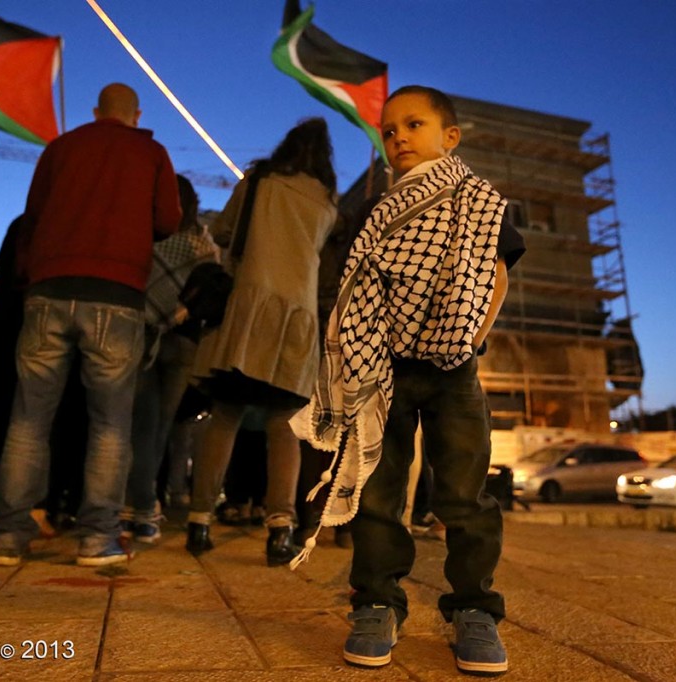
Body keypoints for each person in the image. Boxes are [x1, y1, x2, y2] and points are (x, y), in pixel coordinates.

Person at [291, 86, 525, 674]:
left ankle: (473, 609)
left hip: (454, 370)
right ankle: (375, 601)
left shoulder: (481, 201)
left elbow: (495, 274)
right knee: (379, 490)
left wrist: (469, 339)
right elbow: (360, 285)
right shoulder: (381, 209)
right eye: (389, 131)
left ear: (449, 137)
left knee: (463, 495)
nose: (398, 139)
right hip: (383, 369)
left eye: (413, 125)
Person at [0, 83, 181, 568]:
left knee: (29, 418)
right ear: (136, 114)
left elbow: (32, 216)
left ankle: (10, 537)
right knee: (111, 423)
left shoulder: (60, 148)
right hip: (115, 294)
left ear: (95, 112)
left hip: (49, 288)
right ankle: (97, 537)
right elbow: (167, 220)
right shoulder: (152, 151)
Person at [186, 118, 338, 567]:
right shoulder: (327, 202)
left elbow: (224, 232)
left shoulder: (258, 181)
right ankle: (280, 529)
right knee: (283, 426)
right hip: (297, 319)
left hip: (249, 311)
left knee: (226, 416)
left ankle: (198, 520)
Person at [122, 175, 220, 543]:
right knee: (161, 428)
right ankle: (147, 505)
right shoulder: (203, 244)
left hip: (144, 336)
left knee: (139, 427)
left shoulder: (149, 238)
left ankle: (137, 506)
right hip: (185, 343)